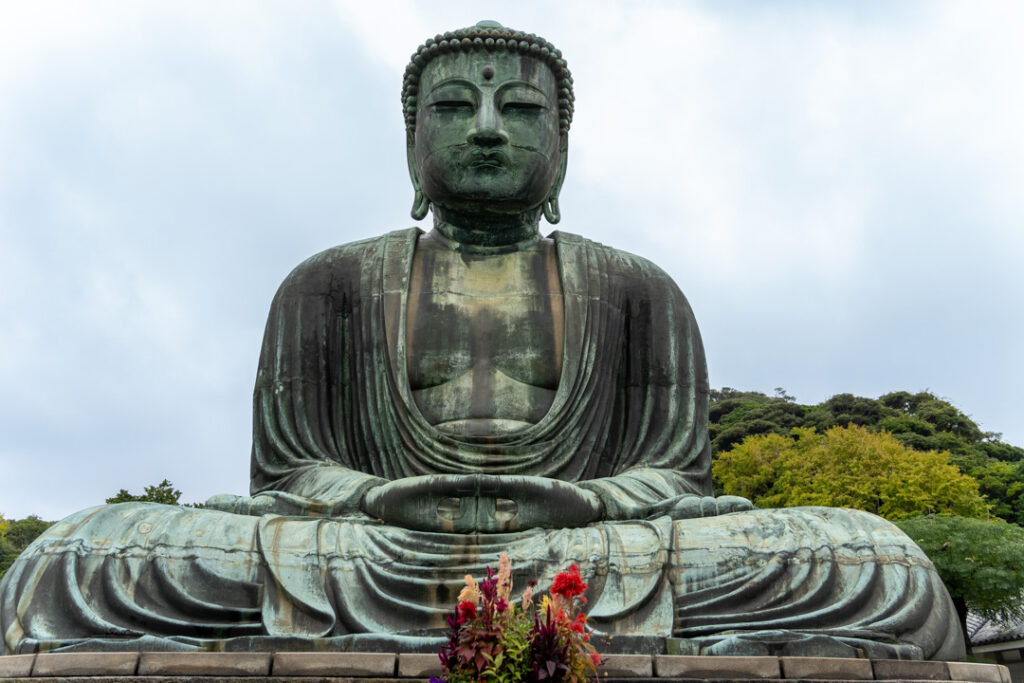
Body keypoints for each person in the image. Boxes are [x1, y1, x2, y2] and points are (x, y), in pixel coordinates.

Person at [0, 22, 964, 660]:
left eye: (522, 111)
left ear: (563, 146)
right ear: (412, 139)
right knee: (79, 557)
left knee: (877, 561)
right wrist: (376, 495)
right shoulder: (328, 285)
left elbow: (675, 479)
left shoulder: (637, 290)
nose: (491, 130)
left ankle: (516, 614)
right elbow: (291, 473)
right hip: (372, 548)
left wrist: (582, 497)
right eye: (456, 109)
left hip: (591, 548)